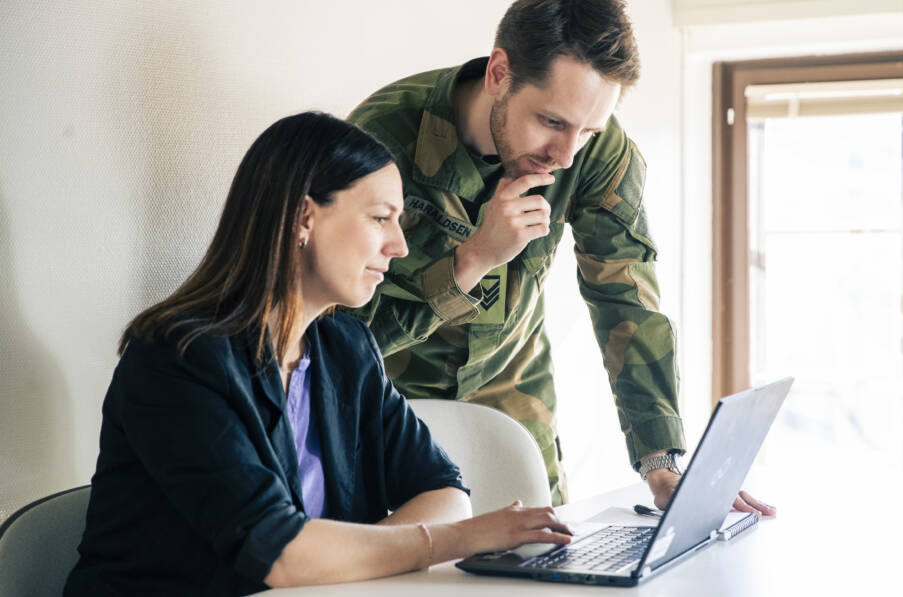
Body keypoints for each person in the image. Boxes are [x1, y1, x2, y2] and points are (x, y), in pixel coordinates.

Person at [64, 112, 573, 596]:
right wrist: (455, 541)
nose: (398, 246)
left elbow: (443, 489)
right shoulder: (176, 359)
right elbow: (278, 553)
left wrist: (352, 564)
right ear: (303, 217)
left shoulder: (345, 346)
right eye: (380, 218)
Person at [347, 0, 774, 515]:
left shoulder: (596, 151)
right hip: (382, 394)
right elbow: (336, 338)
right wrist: (475, 259)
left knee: (541, 567)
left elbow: (626, 297)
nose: (567, 155)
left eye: (588, 131)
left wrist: (661, 462)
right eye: (552, 121)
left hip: (511, 387)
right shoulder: (379, 139)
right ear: (499, 73)